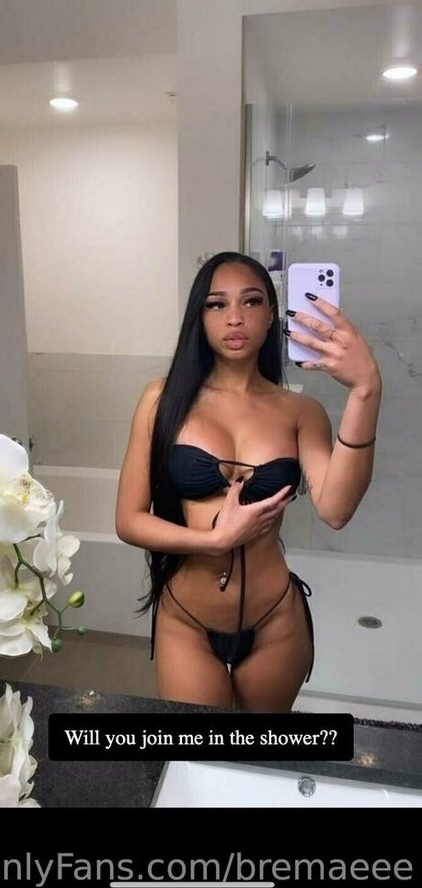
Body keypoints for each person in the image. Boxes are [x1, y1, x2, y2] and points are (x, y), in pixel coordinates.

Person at [115, 252, 382, 711]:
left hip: (275, 620)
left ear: (273, 313)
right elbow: (128, 520)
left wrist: (366, 390)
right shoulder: (162, 398)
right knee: (200, 753)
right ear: (199, 316)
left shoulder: (301, 412)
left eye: (252, 301)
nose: (235, 318)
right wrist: (213, 540)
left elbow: (336, 510)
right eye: (216, 304)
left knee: (264, 749)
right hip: (187, 621)